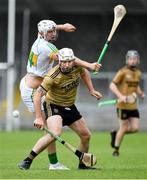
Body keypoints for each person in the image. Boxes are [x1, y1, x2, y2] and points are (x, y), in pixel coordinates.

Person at [19, 20, 101, 170]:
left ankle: (66, 164)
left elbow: (79, 69)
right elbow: (67, 59)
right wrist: (89, 64)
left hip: (43, 88)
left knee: (62, 132)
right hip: (33, 90)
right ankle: (49, 163)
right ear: (43, 34)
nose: (53, 33)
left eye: (53, 30)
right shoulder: (47, 48)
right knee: (52, 131)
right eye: (50, 32)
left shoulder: (40, 36)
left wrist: (62, 27)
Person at [109, 50, 145, 156]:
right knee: (124, 127)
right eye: (130, 59)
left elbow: (136, 85)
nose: (133, 61)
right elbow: (112, 85)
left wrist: (140, 93)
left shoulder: (138, 73)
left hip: (133, 105)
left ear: (138, 60)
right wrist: (121, 96)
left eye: (135, 59)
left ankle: (116, 134)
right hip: (122, 106)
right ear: (127, 60)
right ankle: (116, 150)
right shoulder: (122, 72)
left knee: (135, 129)